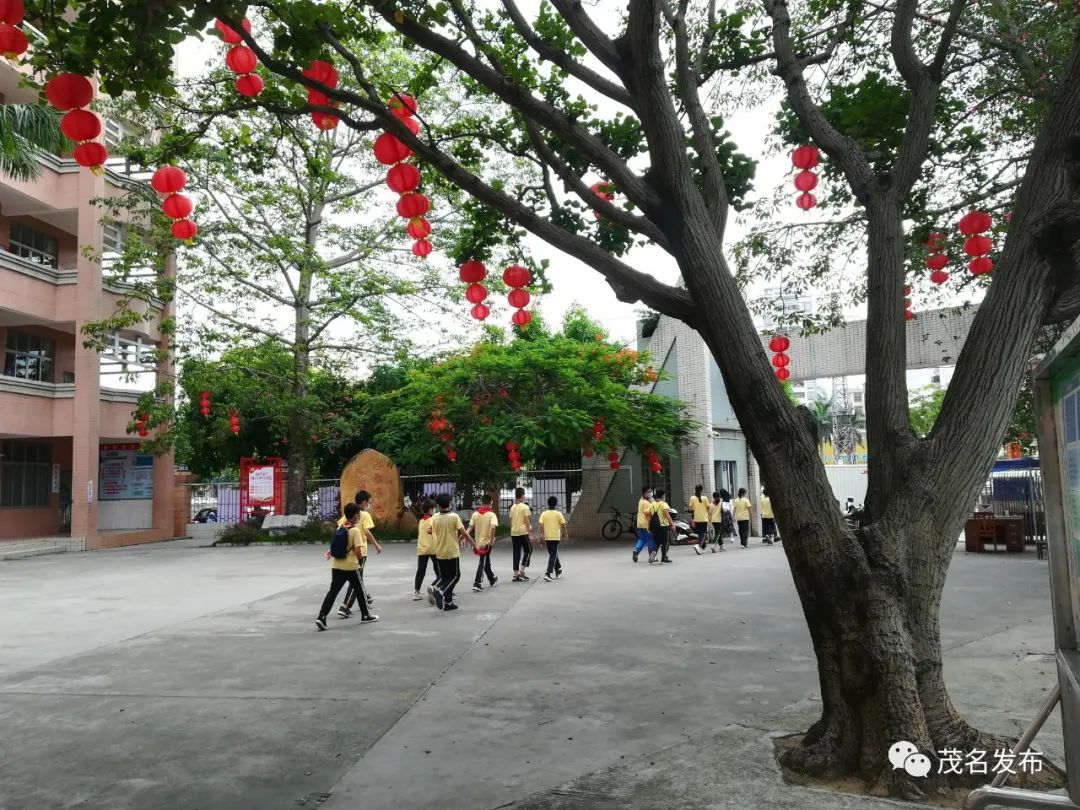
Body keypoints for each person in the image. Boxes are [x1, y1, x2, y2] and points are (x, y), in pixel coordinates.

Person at [315, 503, 378, 630]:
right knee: (359, 590)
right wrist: (359, 562)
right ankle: (365, 615)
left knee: (332, 592)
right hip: (351, 567)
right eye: (358, 514)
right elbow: (359, 551)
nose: (359, 516)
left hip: (337, 565)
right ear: (355, 515)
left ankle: (321, 617)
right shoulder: (354, 531)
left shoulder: (340, 528)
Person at [338, 490, 383, 618]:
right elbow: (367, 532)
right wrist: (376, 545)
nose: (369, 504)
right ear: (363, 502)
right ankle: (345, 606)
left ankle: (364, 597)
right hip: (360, 551)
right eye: (369, 502)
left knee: (357, 578)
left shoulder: (349, 513)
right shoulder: (364, 515)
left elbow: (340, 528)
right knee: (356, 579)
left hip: (348, 551)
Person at [430, 492, 475, 611]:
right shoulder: (454, 517)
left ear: (438, 505)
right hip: (452, 551)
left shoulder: (434, 517)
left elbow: (430, 530)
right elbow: (464, 533)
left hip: (440, 552)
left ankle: (448, 603)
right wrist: (474, 544)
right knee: (455, 576)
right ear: (449, 504)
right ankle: (440, 592)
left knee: (446, 578)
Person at [469, 494, 499, 592]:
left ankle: (491, 578)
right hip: (486, 543)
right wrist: (491, 541)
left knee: (486, 560)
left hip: (478, 543)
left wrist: (462, 537)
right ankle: (477, 582)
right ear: (490, 502)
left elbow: (470, 528)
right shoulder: (491, 514)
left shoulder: (475, 514)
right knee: (483, 561)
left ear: (482, 502)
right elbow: (493, 527)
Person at [413, 499, 439, 601]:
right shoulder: (433, 520)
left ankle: (417, 591)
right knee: (438, 571)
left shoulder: (421, 521)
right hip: (433, 548)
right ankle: (438, 589)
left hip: (422, 549)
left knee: (421, 571)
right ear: (430, 509)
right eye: (433, 508)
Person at [538, 496, 568, 581]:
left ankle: (557, 569)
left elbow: (540, 526)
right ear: (556, 504)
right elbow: (563, 525)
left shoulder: (544, 514)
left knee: (553, 554)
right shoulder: (558, 514)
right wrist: (565, 534)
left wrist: (540, 536)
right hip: (555, 537)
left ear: (548, 503)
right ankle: (548, 573)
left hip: (547, 538)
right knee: (553, 554)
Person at [509, 487, 533, 581]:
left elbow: (510, 521)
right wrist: (530, 534)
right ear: (522, 496)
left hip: (514, 533)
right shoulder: (525, 507)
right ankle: (521, 571)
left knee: (516, 553)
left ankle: (515, 574)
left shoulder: (512, 507)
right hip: (523, 532)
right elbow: (527, 522)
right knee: (529, 550)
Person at [632, 485, 656, 563]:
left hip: (640, 523)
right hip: (646, 524)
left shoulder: (641, 500)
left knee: (642, 539)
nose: (651, 493)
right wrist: (653, 503)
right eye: (649, 492)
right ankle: (651, 556)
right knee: (650, 539)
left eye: (651, 491)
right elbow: (648, 512)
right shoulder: (647, 503)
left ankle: (636, 551)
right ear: (644, 493)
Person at [651, 488, 673, 563]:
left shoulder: (652, 504)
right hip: (663, 525)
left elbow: (650, 515)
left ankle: (654, 552)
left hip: (654, 526)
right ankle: (664, 558)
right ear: (663, 495)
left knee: (657, 541)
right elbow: (667, 515)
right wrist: (672, 524)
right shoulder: (664, 504)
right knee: (665, 542)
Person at [688, 484, 710, 554]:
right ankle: (698, 546)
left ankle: (702, 549)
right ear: (701, 490)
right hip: (704, 518)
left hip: (696, 519)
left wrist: (695, 509)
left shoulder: (692, 498)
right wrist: (709, 516)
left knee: (700, 534)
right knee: (703, 534)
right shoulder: (705, 498)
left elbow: (690, 508)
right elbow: (708, 508)